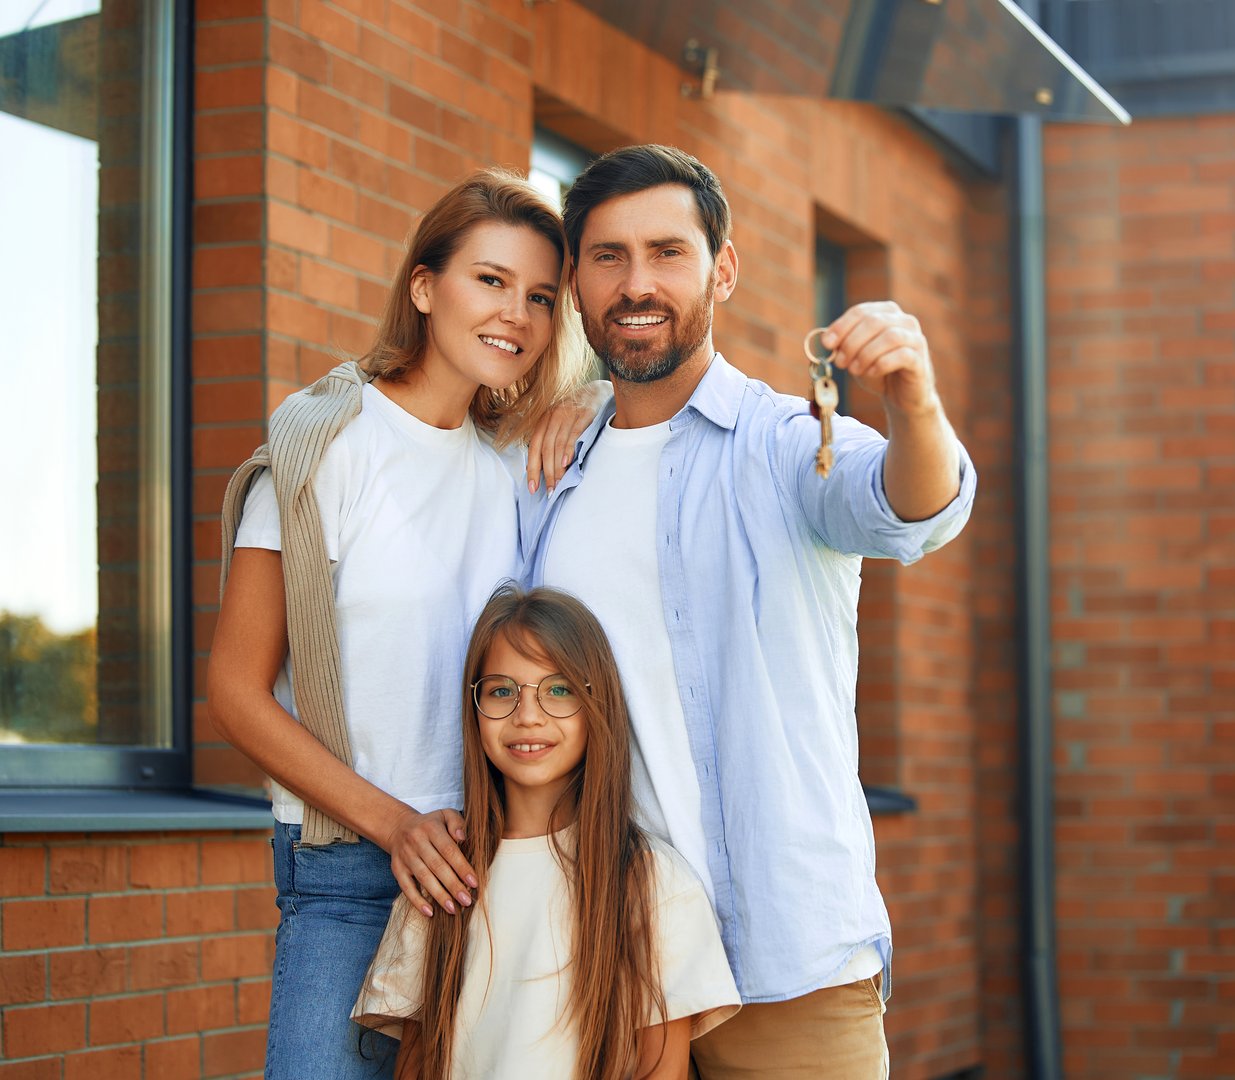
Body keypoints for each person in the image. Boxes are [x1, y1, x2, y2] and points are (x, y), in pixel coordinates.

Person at [528, 144, 976, 1076]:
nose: (636, 283)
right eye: (607, 257)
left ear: (722, 269)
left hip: (787, 966)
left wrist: (915, 399)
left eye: (667, 252)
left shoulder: (783, 445)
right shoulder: (546, 473)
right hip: (611, 971)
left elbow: (910, 508)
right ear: (573, 283)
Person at [210, 169, 595, 1078]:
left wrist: (588, 398)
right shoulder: (321, 450)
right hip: (352, 874)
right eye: (491, 280)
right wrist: (396, 827)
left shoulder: (510, 473)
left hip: (500, 870)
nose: (518, 314)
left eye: (542, 296)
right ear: (424, 288)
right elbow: (234, 691)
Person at [352, 585, 740, 1079]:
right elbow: (416, 1064)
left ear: (597, 705)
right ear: (474, 708)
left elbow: (660, 1069)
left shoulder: (653, 884)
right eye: (501, 691)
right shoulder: (443, 874)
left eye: (558, 689)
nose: (528, 715)